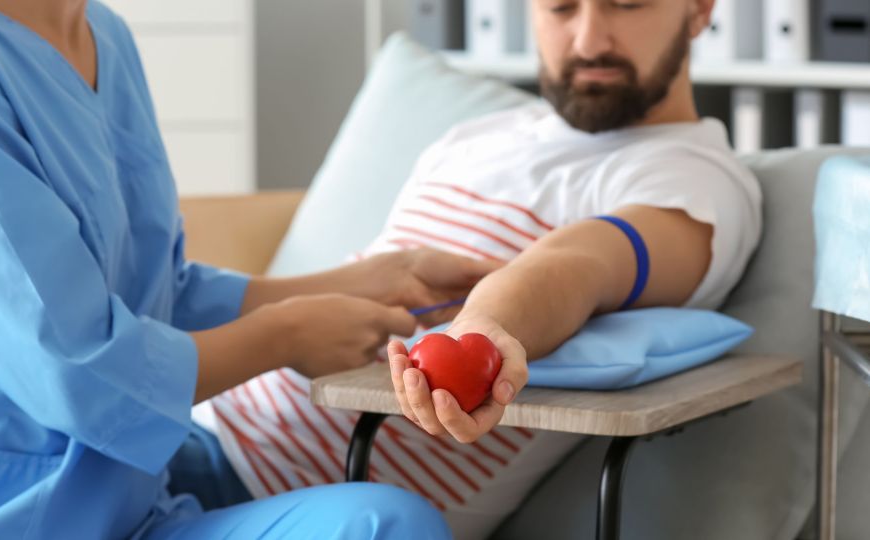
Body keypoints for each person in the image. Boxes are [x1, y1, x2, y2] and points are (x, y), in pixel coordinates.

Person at [0, 0, 502, 538]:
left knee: (385, 525)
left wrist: (367, 278)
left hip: (123, 515)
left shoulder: (102, 35)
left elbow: (157, 292)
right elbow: (77, 366)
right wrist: (286, 336)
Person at [203, 0, 761, 537]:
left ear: (700, 9)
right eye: (561, 8)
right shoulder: (477, 138)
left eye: (628, 4)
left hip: (295, 499)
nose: (590, 40)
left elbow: (579, 264)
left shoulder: (695, 182)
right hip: (195, 426)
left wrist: (481, 332)